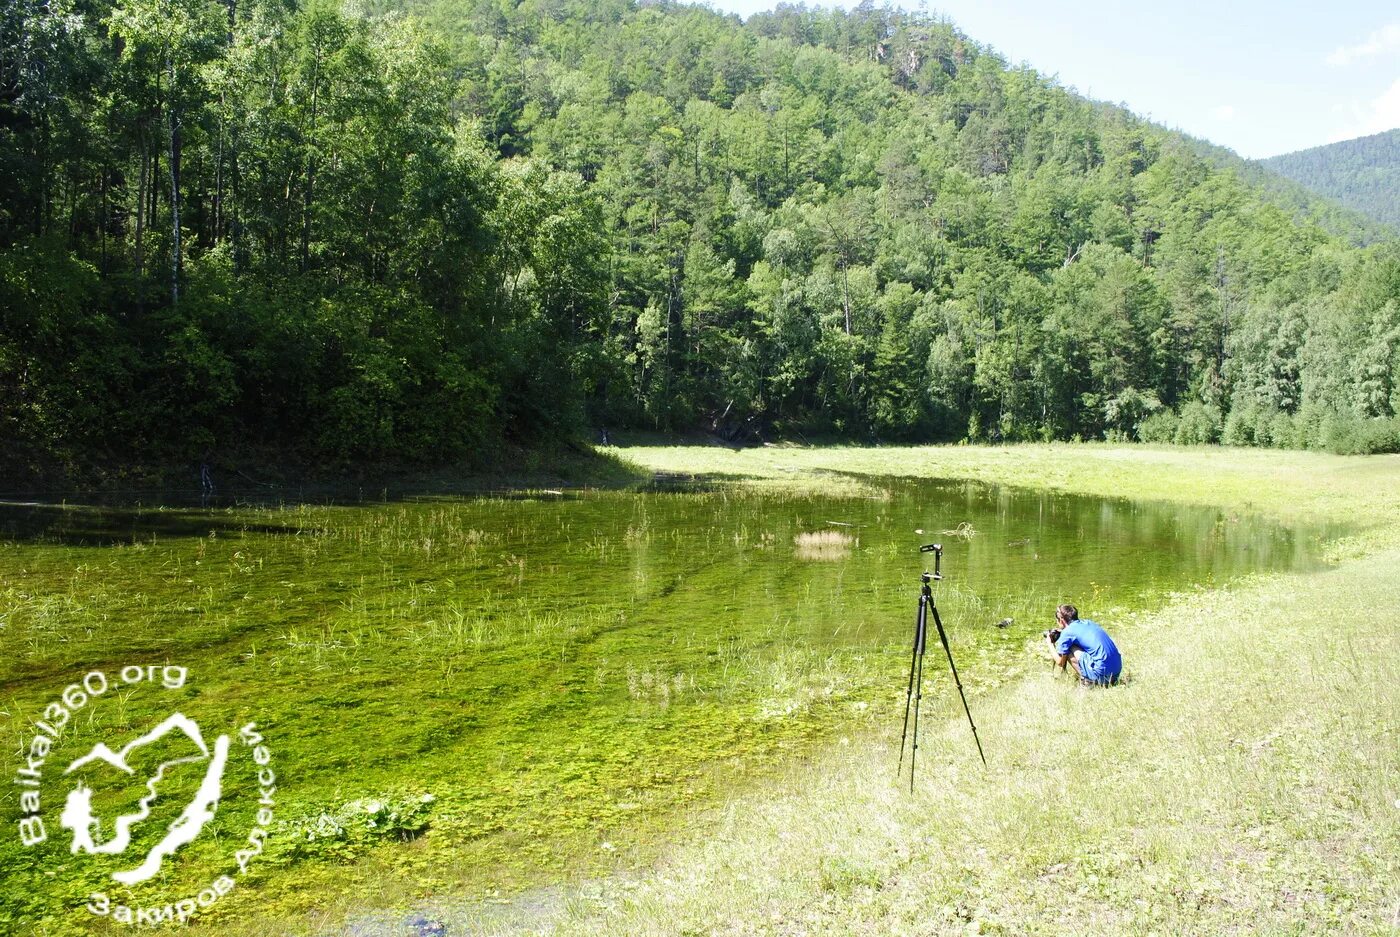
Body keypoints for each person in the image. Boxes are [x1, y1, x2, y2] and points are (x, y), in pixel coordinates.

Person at [1046, 603, 1122, 686]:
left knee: (1070, 647)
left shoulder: (1067, 633)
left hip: (1101, 674)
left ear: (1061, 620)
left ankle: (1089, 681)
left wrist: (1049, 643)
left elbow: (1060, 662)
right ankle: (1104, 679)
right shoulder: (1089, 623)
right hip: (1116, 672)